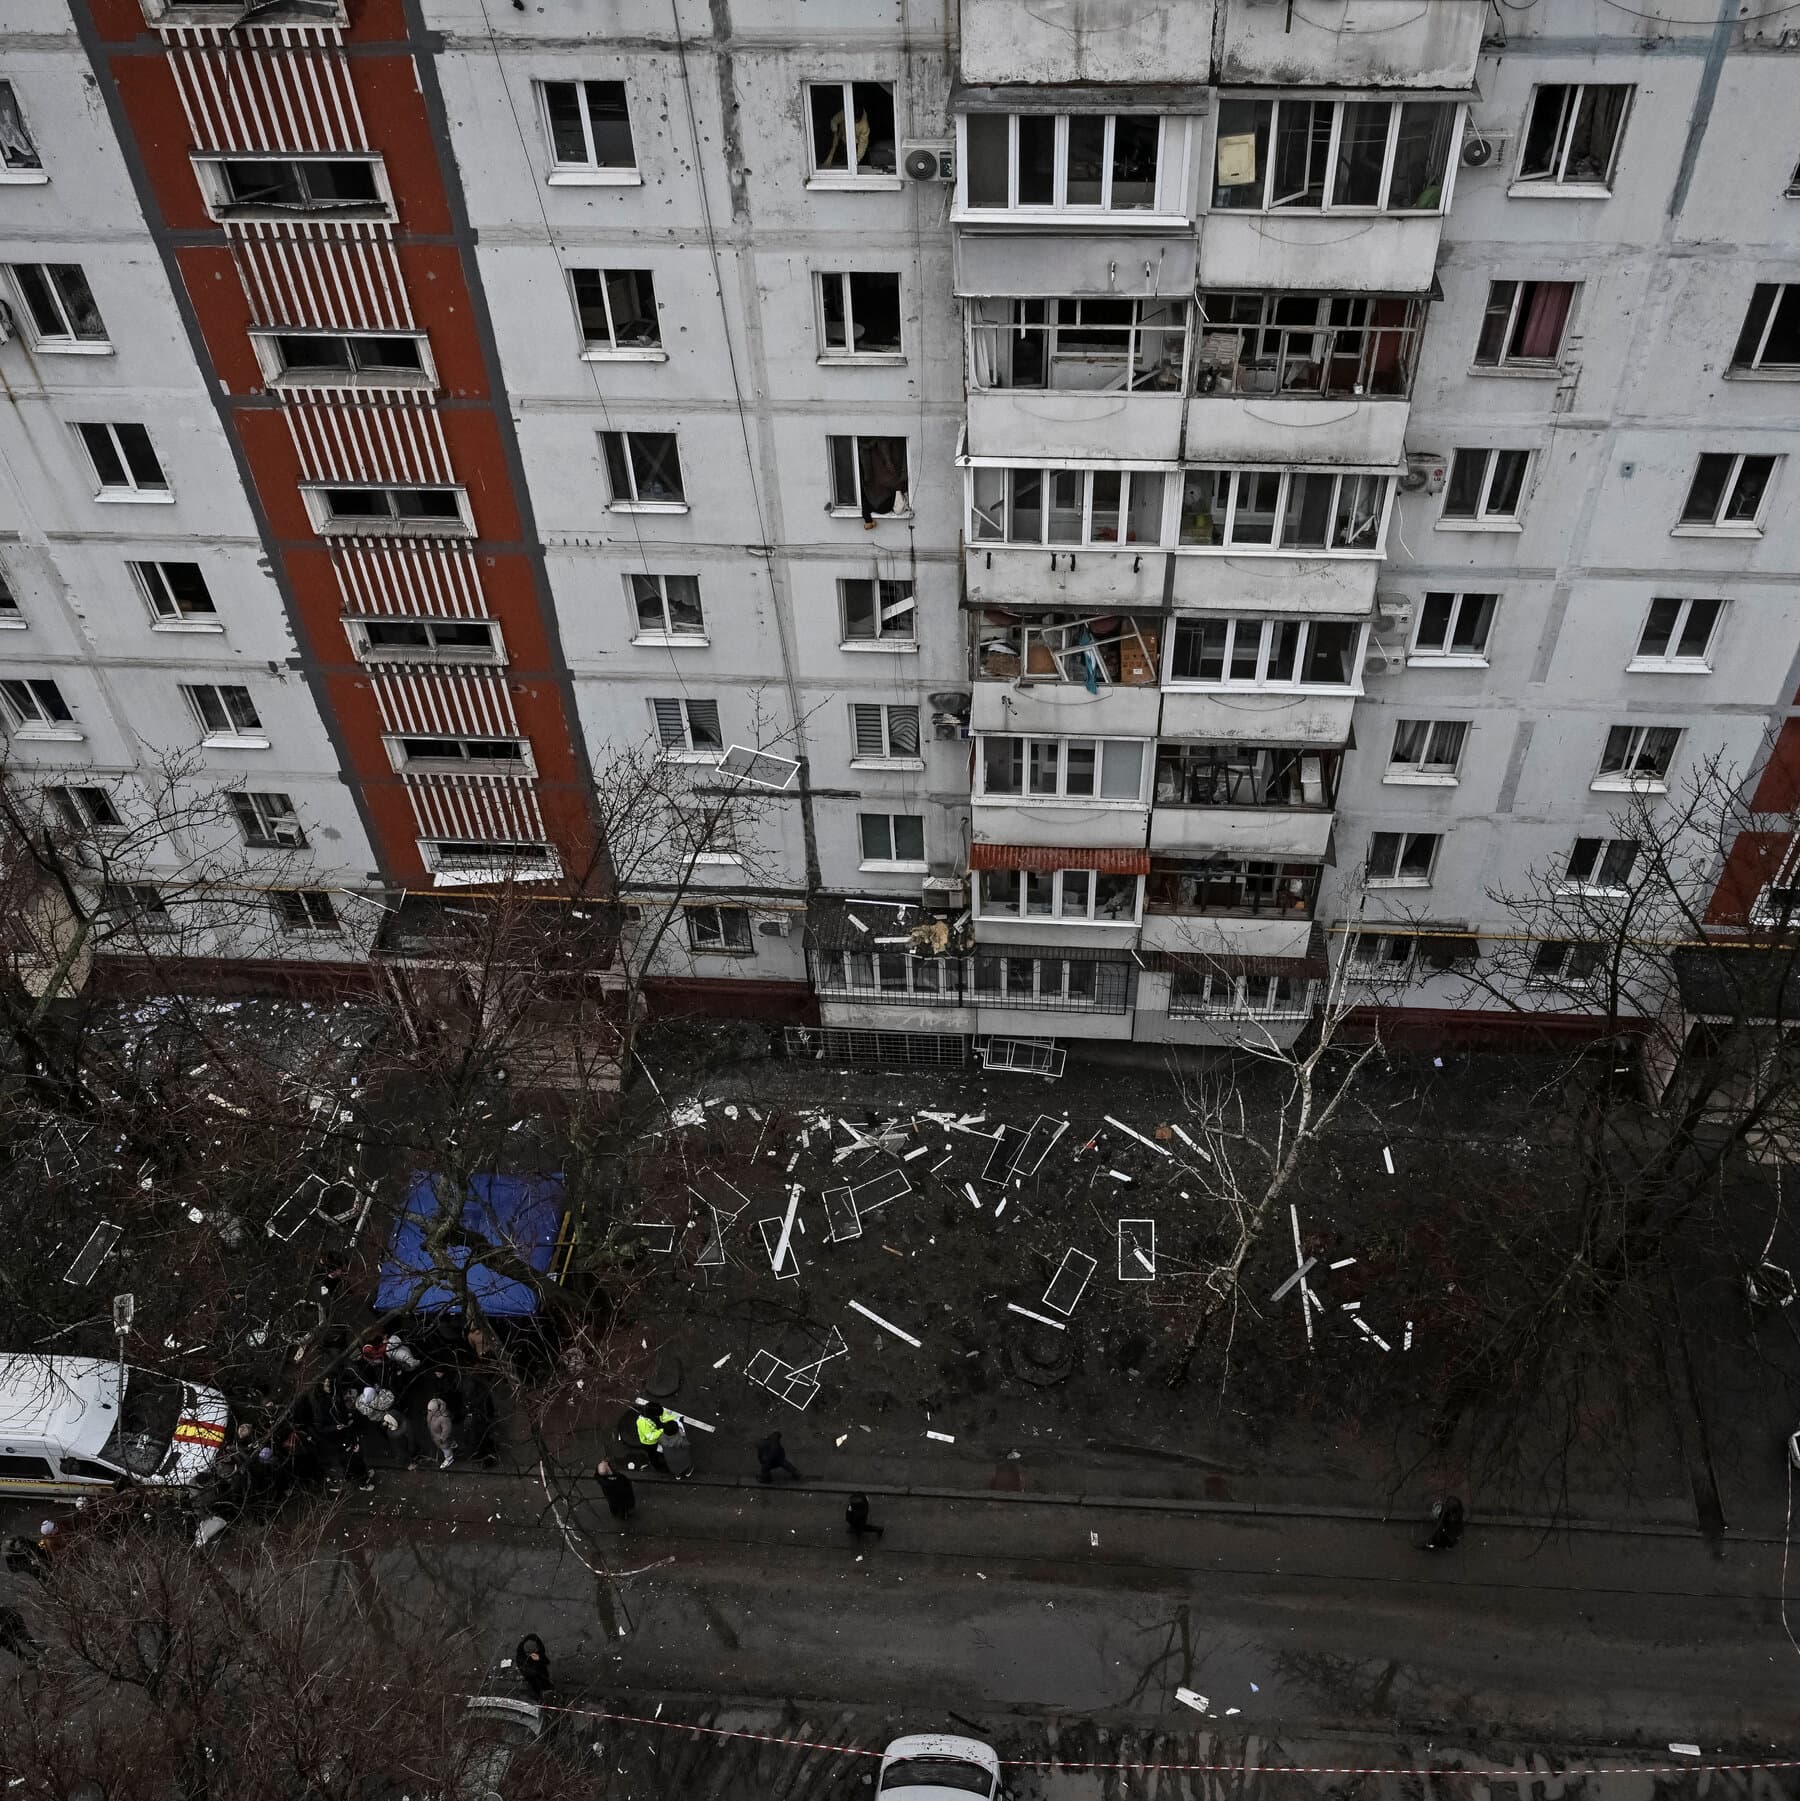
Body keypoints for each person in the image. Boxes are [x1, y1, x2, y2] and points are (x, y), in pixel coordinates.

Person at [515, 1633, 553, 1700]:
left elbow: (546, 1661)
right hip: (530, 1672)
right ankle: (537, 1696)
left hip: (538, 1668)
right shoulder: (521, 1655)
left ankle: (548, 1689)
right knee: (532, 1680)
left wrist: (539, 1659)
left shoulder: (539, 1647)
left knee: (542, 1675)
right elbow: (523, 1668)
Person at [426, 1397, 458, 1470]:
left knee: (446, 1449)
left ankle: (449, 1459)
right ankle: (453, 1444)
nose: (429, 1412)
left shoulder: (444, 1418)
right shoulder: (432, 1412)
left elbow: (447, 1430)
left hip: (441, 1439)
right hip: (436, 1435)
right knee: (449, 1442)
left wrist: (442, 1439)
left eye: (431, 1411)